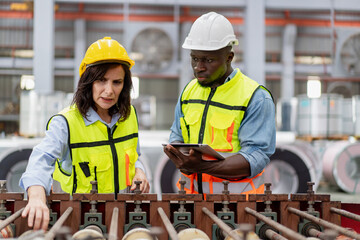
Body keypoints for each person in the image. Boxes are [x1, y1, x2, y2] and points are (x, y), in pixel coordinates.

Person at [19, 37, 150, 230]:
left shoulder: (129, 116)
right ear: (87, 81)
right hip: (77, 222)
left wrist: (139, 171)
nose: (109, 91)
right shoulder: (66, 123)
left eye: (117, 82)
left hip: (123, 217)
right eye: (101, 80)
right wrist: (37, 196)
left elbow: (133, 155)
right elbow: (41, 159)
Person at [163, 12, 276, 196]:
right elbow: (177, 137)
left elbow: (256, 157)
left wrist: (203, 167)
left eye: (208, 60)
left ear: (229, 57)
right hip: (192, 203)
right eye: (194, 58)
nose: (198, 67)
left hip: (238, 206)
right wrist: (180, 158)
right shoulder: (188, 92)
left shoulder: (255, 97)